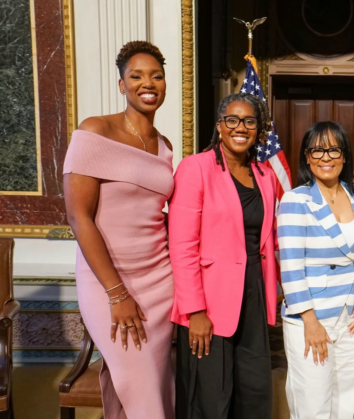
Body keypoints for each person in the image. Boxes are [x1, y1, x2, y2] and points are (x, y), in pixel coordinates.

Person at [63, 41, 174, 418]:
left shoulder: (165, 145)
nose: (148, 83)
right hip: (108, 282)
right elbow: (79, 217)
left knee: (150, 386)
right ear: (121, 84)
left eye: (156, 76)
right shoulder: (96, 130)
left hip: (160, 281)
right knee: (144, 393)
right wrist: (116, 293)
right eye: (137, 76)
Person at [169, 93, 279, 419]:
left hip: (254, 295)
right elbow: (182, 245)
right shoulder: (195, 168)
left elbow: (268, 240)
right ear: (220, 126)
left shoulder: (265, 175)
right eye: (232, 120)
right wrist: (195, 311)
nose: (240, 127)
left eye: (249, 121)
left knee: (254, 391)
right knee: (210, 397)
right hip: (209, 302)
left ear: (259, 130)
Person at [277, 121, 354, 418]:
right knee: (313, 401)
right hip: (312, 315)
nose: (326, 157)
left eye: (334, 149)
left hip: (350, 314)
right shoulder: (296, 199)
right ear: (307, 157)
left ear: (345, 156)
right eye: (317, 150)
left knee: (346, 397)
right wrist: (309, 320)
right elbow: (290, 266)